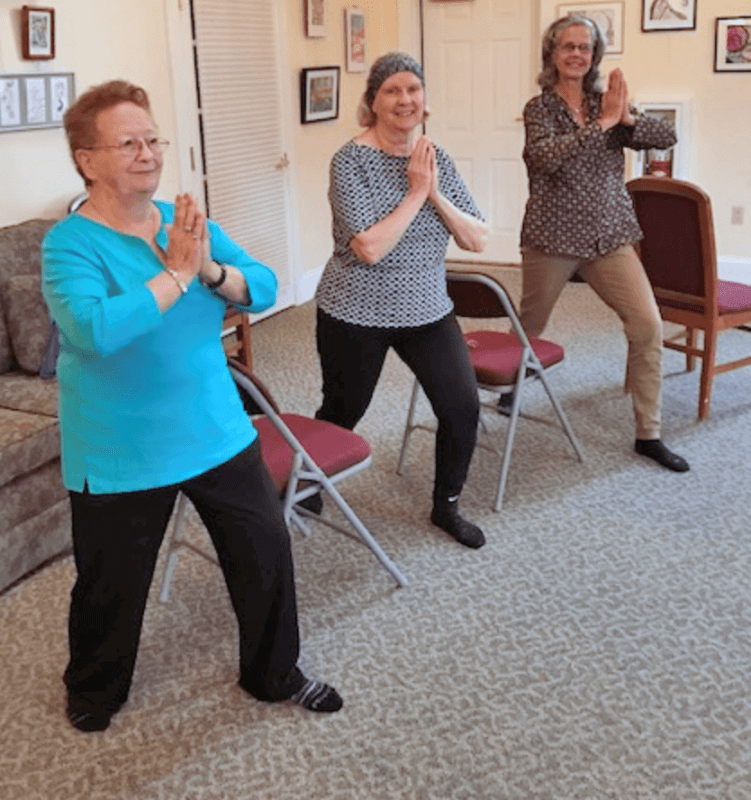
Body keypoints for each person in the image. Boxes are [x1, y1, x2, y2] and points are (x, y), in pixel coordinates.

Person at [42, 80, 342, 733]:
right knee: (111, 584)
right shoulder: (69, 245)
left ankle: (274, 673)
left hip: (213, 426)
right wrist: (176, 275)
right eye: (128, 143)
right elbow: (94, 329)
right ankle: (94, 689)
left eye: (153, 140)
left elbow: (259, 286)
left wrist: (207, 270)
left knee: (264, 551)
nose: (147, 153)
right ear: (87, 159)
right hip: (121, 445)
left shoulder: (187, 228)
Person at [314, 52, 489, 548]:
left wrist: (434, 191)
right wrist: (416, 193)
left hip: (428, 309)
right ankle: (306, 477)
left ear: (425, 99)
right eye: (392, 90)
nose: (405, 99)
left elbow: (477, 238)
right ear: (372, 101)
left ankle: (446, 505)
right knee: (345, 408)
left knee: (462, 406)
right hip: (355, 310)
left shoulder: (436, 159)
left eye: (413, 89)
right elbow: (368, 247)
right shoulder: (349, 161)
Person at [509, 15, 689, 472]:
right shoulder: (539, 109)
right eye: (567, 46)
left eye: (584, 48)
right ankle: (508, 385)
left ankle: (649, 432)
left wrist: (625, 117)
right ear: (552, 52)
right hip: (552, 238)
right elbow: (547, 159)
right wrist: (601, 125)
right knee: (529, 325)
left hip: (610, 235)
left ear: (594, 56)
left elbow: (666, 137)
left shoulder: (605, 102)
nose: (576, 54)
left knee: (647, 324)